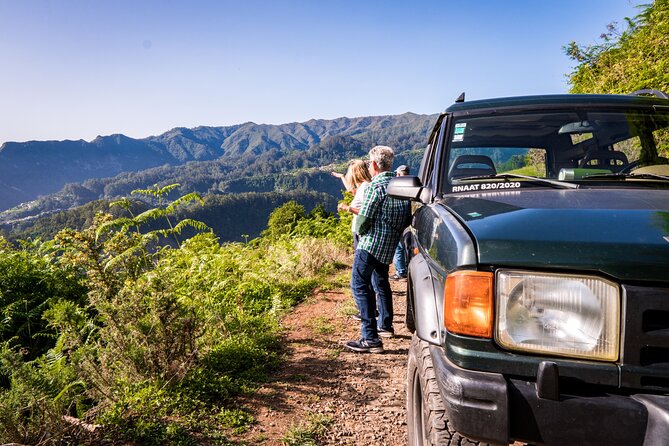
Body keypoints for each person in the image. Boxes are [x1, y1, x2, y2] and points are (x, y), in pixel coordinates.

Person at [345, 146, 410, 353]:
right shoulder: (401, 186)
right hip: (388, 246)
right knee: (380, 283)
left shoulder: (376, 186)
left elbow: (364, 217)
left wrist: (362, 231)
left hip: (371, 244)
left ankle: (370, 337)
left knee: (358, 285)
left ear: (373, 165)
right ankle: (384, 325)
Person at [337, 159, 372, 250]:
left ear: (357, 173)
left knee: (360, 261)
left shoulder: (365, 187)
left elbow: (367, 212)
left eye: (350, 172)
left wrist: (348, 208)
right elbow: (351, 190)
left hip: (362, 232)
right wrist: (342, 177)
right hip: (360, 230)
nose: (350, 175)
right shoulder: (364, 186)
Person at [391, 165, 410, 280]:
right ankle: (406, 268)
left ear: (398, 174)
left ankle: (401, 271)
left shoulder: (396, 186)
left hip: (398, 222)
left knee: (398, 247)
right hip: (409, 222)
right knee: (406, 246)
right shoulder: (412, 185)